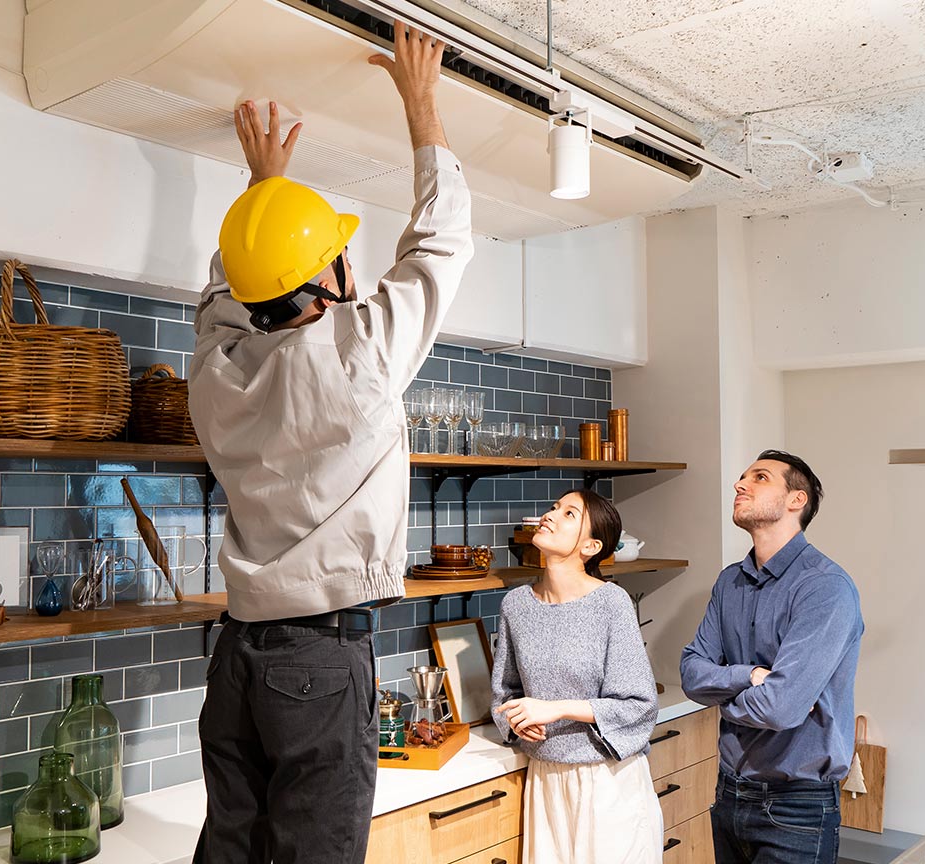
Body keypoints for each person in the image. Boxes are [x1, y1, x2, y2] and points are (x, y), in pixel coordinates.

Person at [187, 22, 472, 864]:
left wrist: (264, 194)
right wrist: (421, 104)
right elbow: (441, 241)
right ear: (331, 281)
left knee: (231, 852)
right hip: (318, 657)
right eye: (342, 253)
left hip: (236, 659)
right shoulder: (362, 350)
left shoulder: (216, 374)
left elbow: (225, 291)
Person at [679, 450, 863, 864]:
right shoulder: (730, 581)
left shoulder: (825, 588)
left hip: (796, 806)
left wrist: (724, 694)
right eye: (742, 477)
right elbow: (691, 673)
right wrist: (750, 676)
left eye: (759, 477)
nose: (740, 485)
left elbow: (781, 708)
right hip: (728, 793)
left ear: (796, 500)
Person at [491, 489, 662, 864]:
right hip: (545, 779)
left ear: (590, 546)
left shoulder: (611, 604)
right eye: (553, 507)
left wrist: (553, 709)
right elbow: (505, 693)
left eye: (569, 514)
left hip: (608, 781)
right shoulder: (515, 606)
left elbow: (640, 704)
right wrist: (518, 722)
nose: (550, 515)